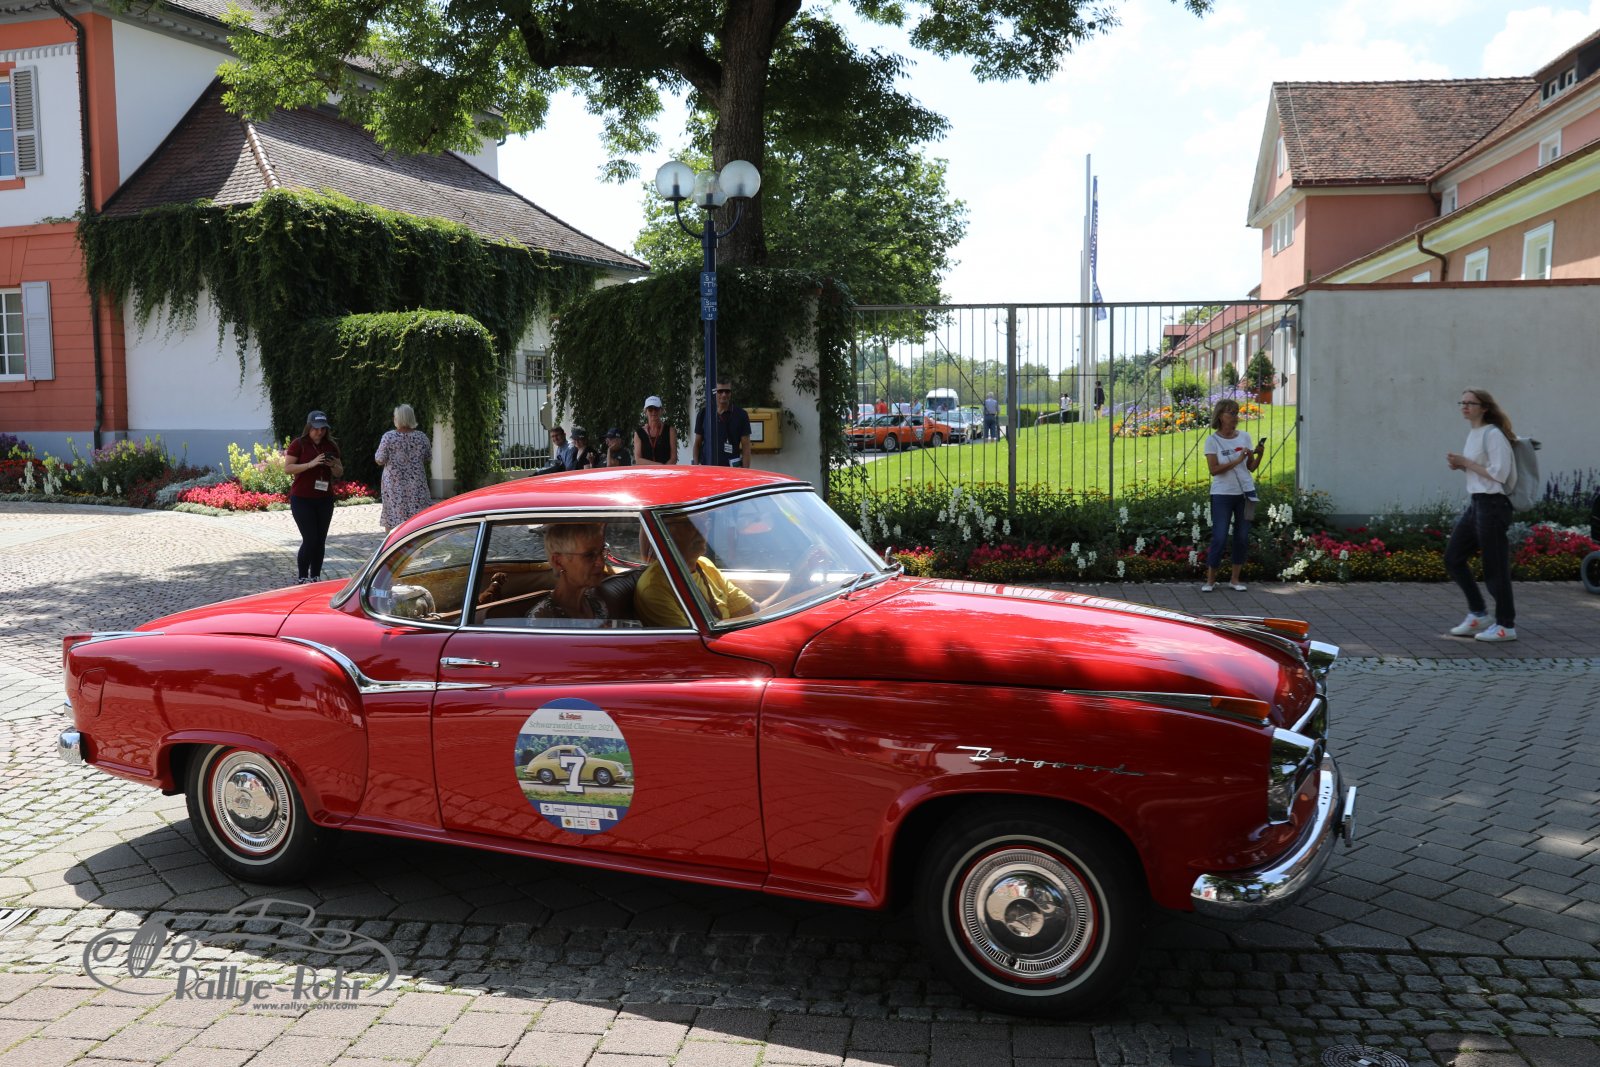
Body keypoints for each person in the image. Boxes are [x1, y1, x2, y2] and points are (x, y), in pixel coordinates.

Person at [1445, 388, 1518, 642]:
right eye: (1462, 402)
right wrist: (1461, 465)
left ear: (1484, 408)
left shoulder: (1493, 434)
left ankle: (1506, 626)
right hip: (1476, 503)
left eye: (1471, 403)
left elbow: (1500, 474)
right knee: (1453, 558)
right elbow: (1481, 470)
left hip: (1493, 505)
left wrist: (1465, 462)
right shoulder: (1474, 433)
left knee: (1495, 568)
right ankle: (1479, 614)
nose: (1465, 406)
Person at [636, 514, 756, 627]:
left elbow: (752, 611)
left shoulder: (705, 565)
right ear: (664, 531)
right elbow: (696, 640)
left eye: (705, 522)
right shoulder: (655, 588)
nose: (703, 530)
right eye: (691, 523)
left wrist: (768, 608)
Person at [1201, 398, 1263, 593]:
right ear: (1220, 416)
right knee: (1219, 537)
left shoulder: (1244, 437)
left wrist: (1259, 454)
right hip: (1222, 494)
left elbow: (1251, 467)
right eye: (1231, 413)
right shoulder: (1212, 441)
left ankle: (1235, 580)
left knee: (1242, 537)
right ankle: (1210, 581)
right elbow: (1213, 470)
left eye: (1237, 413)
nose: (1235, 417)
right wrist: (1237, 460)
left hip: (1246, 493)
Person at [284, 410, 344, 584]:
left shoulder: (330, 445)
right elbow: (288, 468)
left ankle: (315, 576)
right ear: (309, 427)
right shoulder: (299, 444)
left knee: (320, 540)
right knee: (310, 539)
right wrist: (311, 464)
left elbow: (340, 471)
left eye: (323, 428)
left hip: (324, 499)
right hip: (302, 498)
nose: (319, 432)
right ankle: (303, 576)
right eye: (316, 428)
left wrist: (332, 465)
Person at [529, 523, 609, 622]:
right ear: (558, 562)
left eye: (602, 552)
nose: (601, 563)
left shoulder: (597, 604)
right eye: (589, 555)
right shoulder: (542, 619)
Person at [374, 403, 432, 531]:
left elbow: (379, 459)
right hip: (416, 484)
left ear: (398, 418)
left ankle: (394, 543)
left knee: (392, 516)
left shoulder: (388, 437)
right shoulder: (422, 437)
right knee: (418, 518)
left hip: (394, 485)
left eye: (395, 416)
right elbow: (428, 457)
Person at [692, 381, 752, 467]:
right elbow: (697, 443)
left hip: (731, 469)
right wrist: (695, 466)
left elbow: (746, 447)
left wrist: (745, 472)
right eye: (720, 391)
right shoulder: (704, 413)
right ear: (714, 392)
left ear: (730, 393)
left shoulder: (741, 415)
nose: (724, 395)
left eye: (727, 391)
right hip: (708, 468)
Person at [634, 396, 677, 465]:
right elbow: (638, 460)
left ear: (661, 411)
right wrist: (659, 466)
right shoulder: (639, 433)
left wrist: (663, 469)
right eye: (650, 409)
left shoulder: (670, 431)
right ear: (645, 412)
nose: (653, 412)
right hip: (647, 471)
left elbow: (674, 458)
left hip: (666, 470)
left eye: (656, 409)